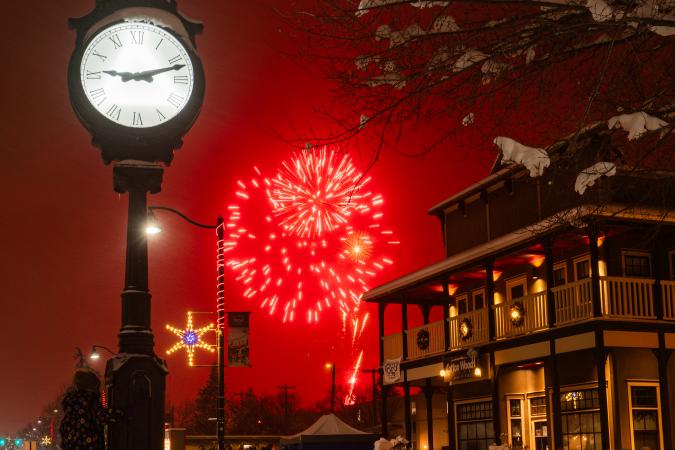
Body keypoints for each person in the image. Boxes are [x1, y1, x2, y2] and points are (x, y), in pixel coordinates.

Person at [59, 366, 120, 450]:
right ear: (91, 387)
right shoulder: (89, 401)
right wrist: (121, 411)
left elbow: (63, 431)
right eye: (97, 387)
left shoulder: (70, 406)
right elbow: (102, 415)